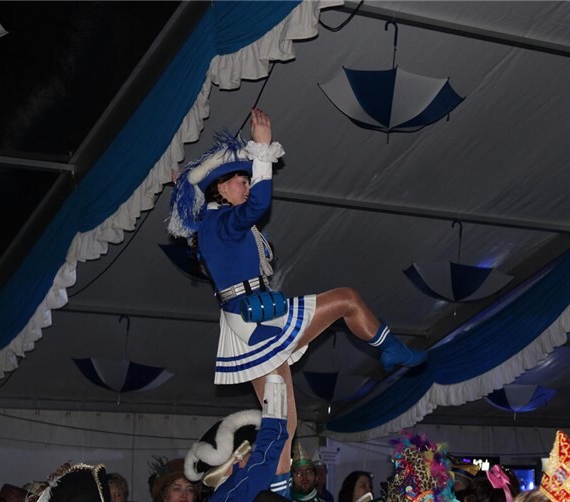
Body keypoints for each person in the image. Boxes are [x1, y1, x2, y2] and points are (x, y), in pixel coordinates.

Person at [167, 110, 427, 479]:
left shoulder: (214, 223)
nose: (245, 185)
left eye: (247, 179)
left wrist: (185, 188)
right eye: (239, 180)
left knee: (284, 421)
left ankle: (276, 487)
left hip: (254, 313)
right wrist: (261, 149)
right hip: (255, 319)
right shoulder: (221, 222)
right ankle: (390, 348)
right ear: (220, 190)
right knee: (346, 301)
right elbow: (259, 205)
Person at [184, 374, 290, 501]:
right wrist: (274, 397)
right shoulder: (233, 492)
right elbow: (263, 461)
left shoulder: (224, 495)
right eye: (248, 454)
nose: (251, 458)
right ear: (234, 461)